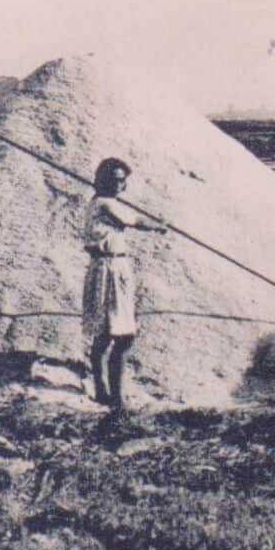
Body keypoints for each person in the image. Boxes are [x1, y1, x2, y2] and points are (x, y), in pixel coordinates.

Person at [82, 157, 167, 409]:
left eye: (123, 180)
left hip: (112, 266)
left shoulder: (102, 202)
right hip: (109, 268)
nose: (120, 185)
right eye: (116, 179)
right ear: (103, 180)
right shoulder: (105, 204)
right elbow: (133, 221)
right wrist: (158, 226)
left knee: (106, 334)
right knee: (121, 336)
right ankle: (115, 397)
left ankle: (103, 389)